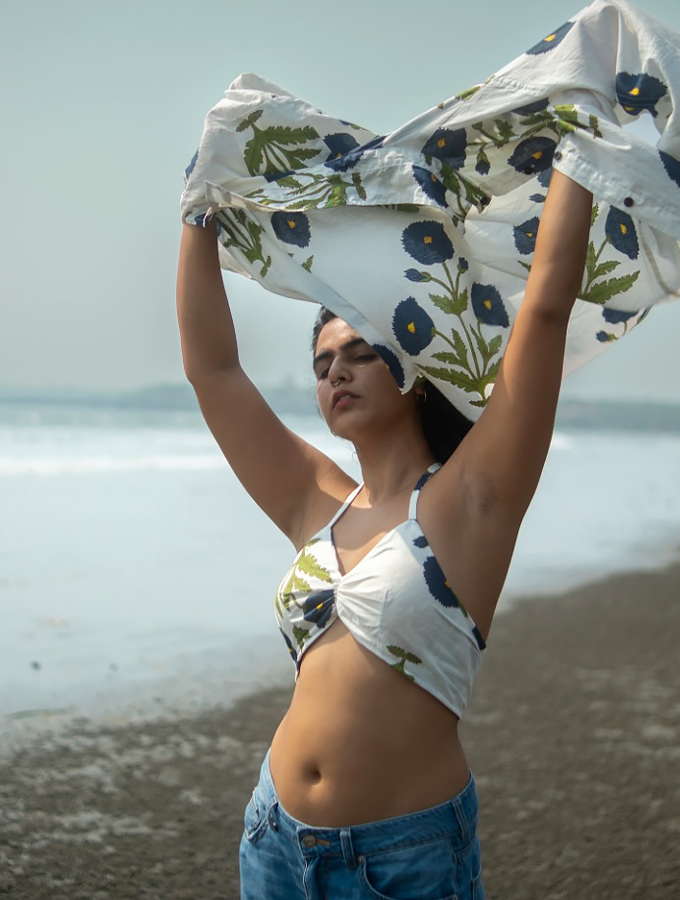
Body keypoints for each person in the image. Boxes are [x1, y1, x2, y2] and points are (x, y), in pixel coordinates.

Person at [176, 167, 592, 899]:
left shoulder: (470, 502)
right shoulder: (316, 503)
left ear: (415, 369)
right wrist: (197, 213)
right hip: (274, 839)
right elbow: (214, 372)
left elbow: (546, 311)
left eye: (360, 352)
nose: (337, 371)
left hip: (404, 858)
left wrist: (578, 160)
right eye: (323, 364)